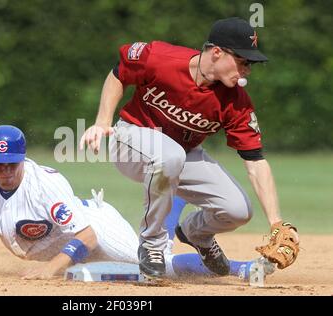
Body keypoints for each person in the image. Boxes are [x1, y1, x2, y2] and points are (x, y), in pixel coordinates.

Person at [0, 125, 271, 281]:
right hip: (66, 245)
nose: (3, 170)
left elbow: (85, 236)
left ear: (21, 161)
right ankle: (172, 210)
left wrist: (50, 271)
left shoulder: (43, 184)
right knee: (153, 257)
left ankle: (242, 269)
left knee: (159, 267)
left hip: (93, 228)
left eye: (10, 163)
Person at [79, 17, 299, 278]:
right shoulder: (161, 59)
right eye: (243, 61)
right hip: (130, 139)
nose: (247, 70)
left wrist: (275, 221)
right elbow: (119, 73)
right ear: (217, 53)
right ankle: (151, 243)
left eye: (250, 64)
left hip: (180, 155)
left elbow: (255, 162)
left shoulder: (235, 102)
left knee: (238, 210)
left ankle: (197, 233)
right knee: (170, 155)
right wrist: (102, 122)